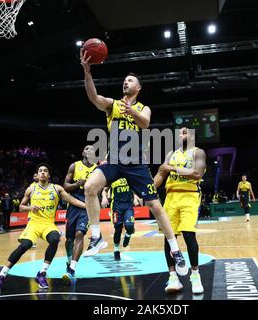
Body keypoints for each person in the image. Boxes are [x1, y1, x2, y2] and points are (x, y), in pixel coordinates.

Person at [79, 49, 188, 275]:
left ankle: (176, 250)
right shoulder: (113, 105)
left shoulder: (142, 107)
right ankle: (97, 236)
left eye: (130, 81)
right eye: (124, 81)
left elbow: (146, 123)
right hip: (115, 161)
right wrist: (87, 73)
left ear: (138, 88)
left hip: (136, 163)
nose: (125, 83)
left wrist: (132, 112)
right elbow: (93, 98)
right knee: (90, 187)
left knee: (155, 206)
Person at [0, 163, 86, 292]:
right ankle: (1, 276)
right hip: (34, 224)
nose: (42, 173)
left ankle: (41, 273)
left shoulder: (56, 188)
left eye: (45, 171)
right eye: (40, 171)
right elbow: (21, 207)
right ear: (37, 174)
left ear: (49, 175)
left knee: (55, 238)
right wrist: (31, 208)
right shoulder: (31, 189)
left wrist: (87, 206)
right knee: (25, 246)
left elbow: (71, 199)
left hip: (48, 224)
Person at [154, 127, 207, 294]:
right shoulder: (171, 154)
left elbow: (197, 173)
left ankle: (195, 276)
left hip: (190, 196)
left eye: (184, 133)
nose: (180, 135)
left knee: (188, 234)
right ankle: (173, 277)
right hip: (170, 197)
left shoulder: (198, 153)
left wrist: (171, 169)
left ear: (191, 136)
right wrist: (146, 189)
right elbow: (161, 175)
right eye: (178, 133)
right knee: (169, 237)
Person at [62, 145, 97, 284]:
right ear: (83, 152)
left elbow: (100, 189)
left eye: (93, 149)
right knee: (69, 239)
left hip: (88, 204)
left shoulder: (97, 169)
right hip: (73, 205)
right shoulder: (74, 166)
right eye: (87, 148)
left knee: (79, 234)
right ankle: (69, 259)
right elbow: (65, 186)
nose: (90, 150)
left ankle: (72, 268)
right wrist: (76, 184)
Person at [102, 178, 139, 261]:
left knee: (129, 227)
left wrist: (136, 198)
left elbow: (134, 189)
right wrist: (104, 197)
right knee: (118, 229)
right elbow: (104, 190)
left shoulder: (128, 175)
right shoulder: (113, 177)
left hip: (128, 205)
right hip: (116, 206)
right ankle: (116, 250)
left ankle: (128, 235)